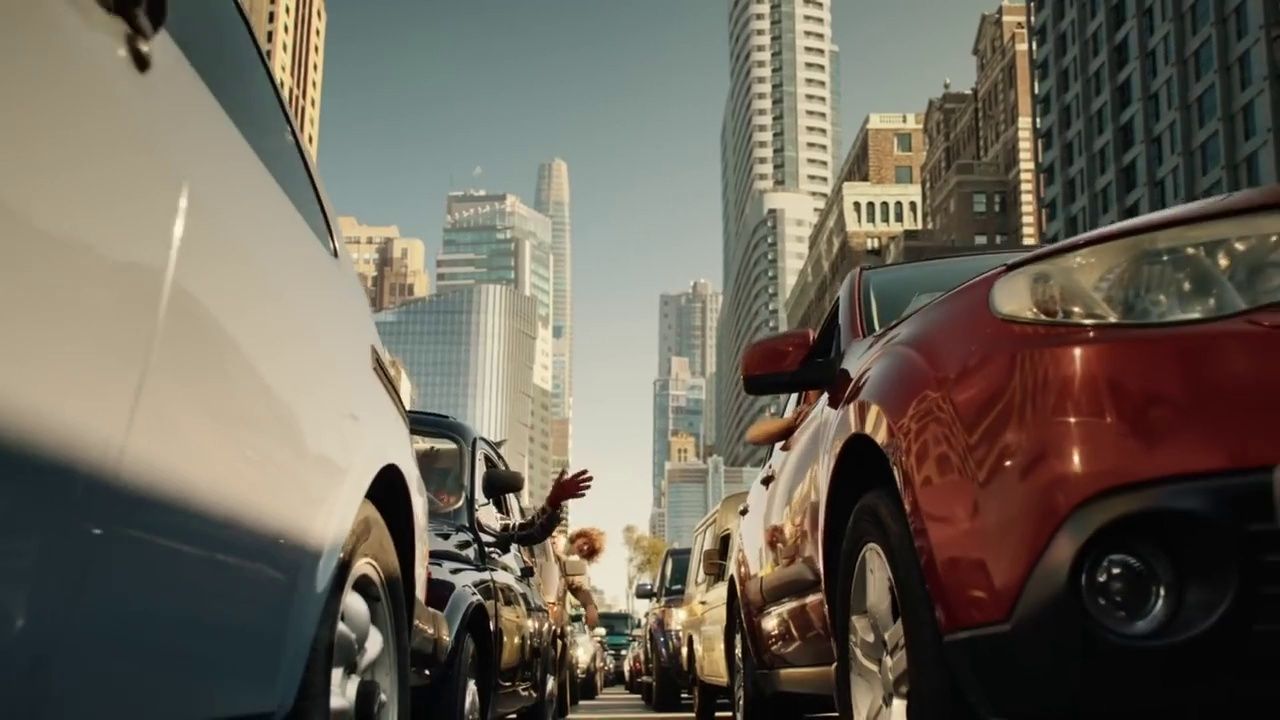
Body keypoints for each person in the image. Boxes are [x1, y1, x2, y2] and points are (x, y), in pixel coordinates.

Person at [555, 526, 605, 627]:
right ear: (579, 536)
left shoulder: (574, 564)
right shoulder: (557, 540)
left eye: (588, 549)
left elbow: (578, 585)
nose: (584, 547)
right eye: (586, 542)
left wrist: (590, 606)